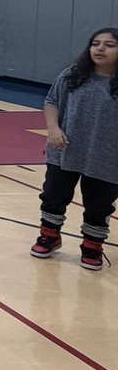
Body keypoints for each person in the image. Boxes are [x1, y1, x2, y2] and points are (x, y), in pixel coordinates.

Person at [30, 28, 118, 271]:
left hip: (107, 156)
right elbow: (52, 102)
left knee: (99, 203)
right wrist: (53, 129)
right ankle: (49, 235)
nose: (100, 48)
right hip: (65, 149)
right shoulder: (72, 75)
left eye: (109, 45)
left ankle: (92, 245)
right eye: (96, 43)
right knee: (53, 195)